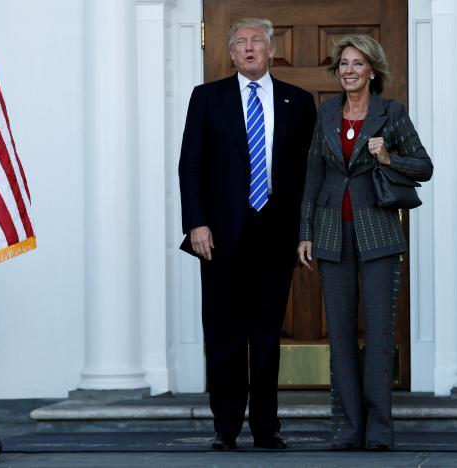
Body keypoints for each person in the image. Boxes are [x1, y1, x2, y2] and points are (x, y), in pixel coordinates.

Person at [178, 17, 316, 451]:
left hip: (277, 235)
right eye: (241, 43)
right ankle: (226, 427)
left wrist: (304, 231)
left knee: (268, 336)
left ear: (272, 49)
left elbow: (309, 174)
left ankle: (265, 428)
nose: (250, 48)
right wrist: (196, 223)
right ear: (231, 53)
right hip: (219, 236)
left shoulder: (299, 101)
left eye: (257, 41)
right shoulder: (207, 98)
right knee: (225, 335)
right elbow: (191, 165)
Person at [297, 35, 433, 451]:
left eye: (357, 64)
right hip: (332, 232)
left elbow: (424, 168)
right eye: (343, 65)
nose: (349, 71)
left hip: (378, 233)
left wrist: (389, 158)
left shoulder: (391, 113)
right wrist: (305, 232)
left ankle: (379, 430)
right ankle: (348, 428)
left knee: (378, 332)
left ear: (372, 70)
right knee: (339, 333)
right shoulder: (326, 114)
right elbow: (313, 176)